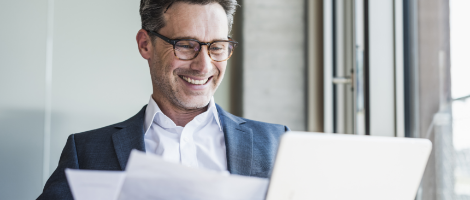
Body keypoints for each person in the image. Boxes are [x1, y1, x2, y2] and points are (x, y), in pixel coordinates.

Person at [37, 0, 289, 199]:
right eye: (186, 45)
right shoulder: (86, 152)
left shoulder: (278, 144)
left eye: (217, 47)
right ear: (145, 44)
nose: (204, 66)